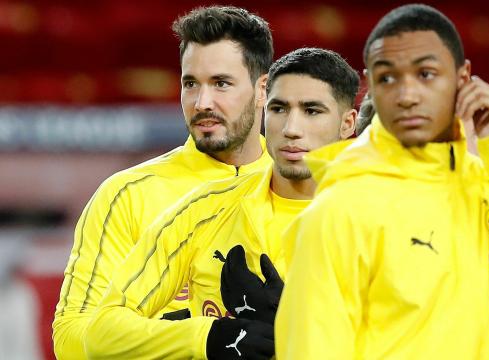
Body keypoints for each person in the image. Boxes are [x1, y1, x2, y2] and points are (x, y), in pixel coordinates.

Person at [275, 4, 489, 359]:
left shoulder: (488, 189)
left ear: (463, 78)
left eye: (425, 74)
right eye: (388, 77)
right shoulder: (338, 212)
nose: (407, 96)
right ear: (371, 83)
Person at [84, 47, 359, 359]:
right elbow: (102, 334)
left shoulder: (381, 225)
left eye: (312, 111)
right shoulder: (204, 211)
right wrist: (208, 337)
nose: (291, 129)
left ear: (348, 124)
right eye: (279, 109)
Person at [52, 6, 274, 358]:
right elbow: (71, 340)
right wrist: (194, 339)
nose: (202, 103)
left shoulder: (298, 186)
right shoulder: (127, 194)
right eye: (191, 84)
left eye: (221, 84)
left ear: (263, 89)